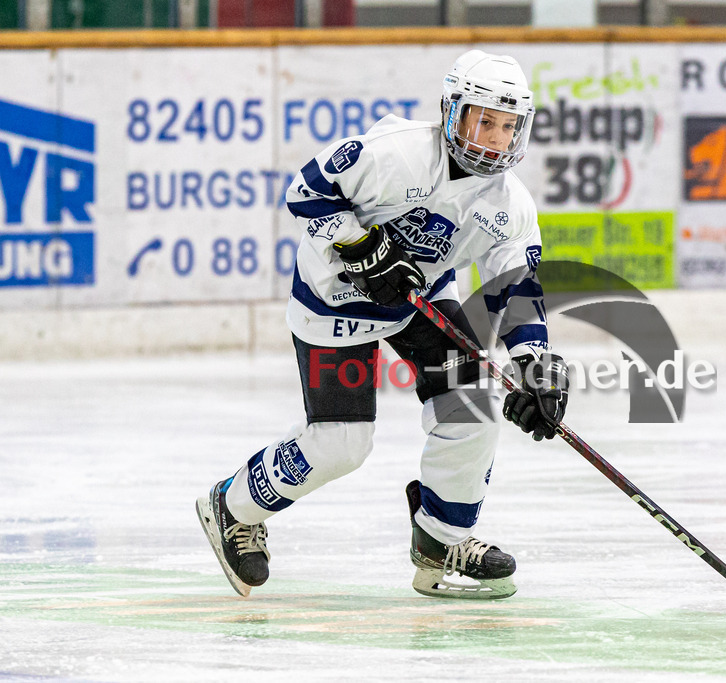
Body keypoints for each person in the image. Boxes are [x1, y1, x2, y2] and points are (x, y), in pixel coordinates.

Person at [196, 50, 570, 600]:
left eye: (508, 126)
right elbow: (305, 190)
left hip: (422, 299)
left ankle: (442, 539)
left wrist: (537, 364)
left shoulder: (511, 204)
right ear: (451, 112)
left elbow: (515, 286)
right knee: (341, 446)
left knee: (473, 406)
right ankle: (231, 507)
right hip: (337, 299)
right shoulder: (394, 154)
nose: (494, 139)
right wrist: (359, 246)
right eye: (483, 119)